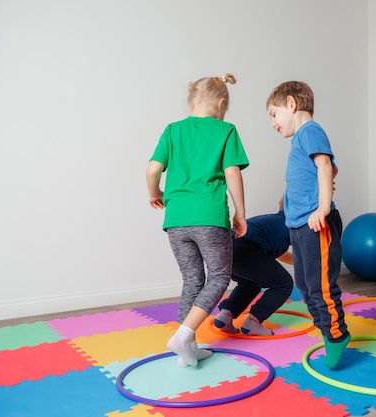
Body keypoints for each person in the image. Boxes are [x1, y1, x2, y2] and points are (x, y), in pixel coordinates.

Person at [146, 73, 249, 367]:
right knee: (218, 277)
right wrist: (241, 212)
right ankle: (184, 334)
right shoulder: (225, 130)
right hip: (209, 217)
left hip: (176, 219)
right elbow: (232, 172)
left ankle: (187, 350)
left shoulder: (172, 130)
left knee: (192, 279)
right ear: (221, 101)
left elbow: (152, 169)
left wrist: (156, 194)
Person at [265, 80, 350, 368]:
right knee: (302, 282)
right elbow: (321, 171)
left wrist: (323, 207)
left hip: (317, 223)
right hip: (299, 223)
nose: (273, 124)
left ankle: (336, 335)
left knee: (320, 285)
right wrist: (285, 201)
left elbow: (326, 166)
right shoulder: (300, 139)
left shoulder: (310, 131)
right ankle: (326, 328)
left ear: (291, 104)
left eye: (274, 115)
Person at [213, 197, 294, 336]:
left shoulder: (273, 221)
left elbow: (279, 254)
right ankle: (253, 322)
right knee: (283, 284)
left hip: (224, 249)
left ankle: (226, 315)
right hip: (245, 248)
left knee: (249, 284)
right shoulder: (293, 226)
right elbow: (305, 254)